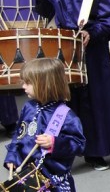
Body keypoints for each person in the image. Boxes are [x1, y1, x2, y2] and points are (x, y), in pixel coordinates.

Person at [35, 0, 110, 170]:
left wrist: (91, 32)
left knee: (95, 100)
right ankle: (62, 150)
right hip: (63, 48)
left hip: (92, 50)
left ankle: (97, 152)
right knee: (65, 101)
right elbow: (46, 12)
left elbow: (107, 20)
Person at [3, 58, 86, 191]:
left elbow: (79, 144)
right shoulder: (28, 107)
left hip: (53, 181)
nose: (23, 86)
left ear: (45, 84)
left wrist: (54, 143)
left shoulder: (66, 115)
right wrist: (12, 157)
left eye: (28, 83)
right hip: (27, 176)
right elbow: (18, 136)